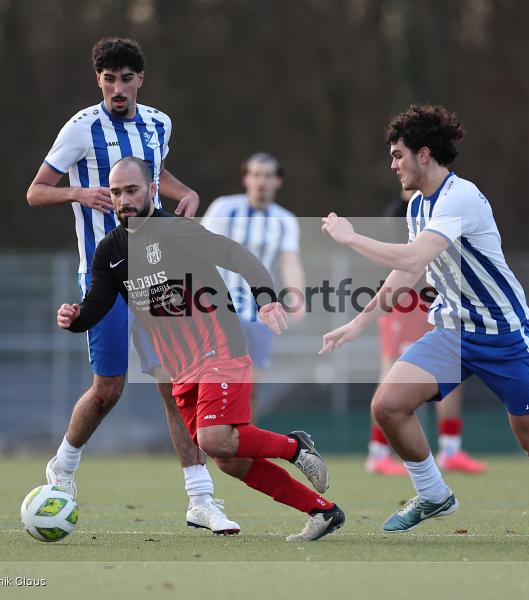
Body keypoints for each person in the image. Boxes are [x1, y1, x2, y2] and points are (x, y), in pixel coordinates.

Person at [320, 104, 529, 543]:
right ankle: (433, 494)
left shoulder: (460, 197)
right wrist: (359, 322)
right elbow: (410, 273)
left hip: (504, 337)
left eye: (398, 154)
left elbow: (413, 257)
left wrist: (351, 237)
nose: (393, 164)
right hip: (452, 333)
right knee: (387, 406)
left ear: (424, 154)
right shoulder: (418, 204)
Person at [57, 157, 345, 542]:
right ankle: (322, 511)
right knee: (231, 459)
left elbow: (237, 255)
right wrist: (74, 318)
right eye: (116, 192)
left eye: (132, 190)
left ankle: (295, 447)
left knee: (212, 440)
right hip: (181, 369)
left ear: (152, 190)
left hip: (219, 347)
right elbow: (96, 306)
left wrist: (266, 298)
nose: (123, 199)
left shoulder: (175, 230)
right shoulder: (110, 250)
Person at [25, 37, 237, 534]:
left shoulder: (159, 123)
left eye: (125, 79)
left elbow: (154, 176)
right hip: (104, 274)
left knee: (174, 384)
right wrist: (79, 192)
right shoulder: (81, 129)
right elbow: (35, 192)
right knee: (109, 388)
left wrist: (186, 193)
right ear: (97, 80)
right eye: (108, 79)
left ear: (140, 79)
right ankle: (63, 468)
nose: (117, 88)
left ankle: (200, 498)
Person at [367, 192, 486, 476]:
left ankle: (450, 449)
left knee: (453, 368)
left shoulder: (447, 204)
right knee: (393, 371)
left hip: (439, 299)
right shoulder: (400, 210)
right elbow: (406, 259)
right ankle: (378, 453)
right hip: (406, 300)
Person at [200, 153, 305, 420]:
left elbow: (290, 262)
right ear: (246, 178)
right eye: (256, 174)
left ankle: (242, 447)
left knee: (249, 388)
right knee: (212, 384)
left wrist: (297, 300)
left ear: (277, 181)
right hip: (217, 308)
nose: (262, 181)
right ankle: (204, 446)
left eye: (268, 175)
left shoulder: (285, 221)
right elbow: (198, 251)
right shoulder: (224, 209)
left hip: (257, 313)